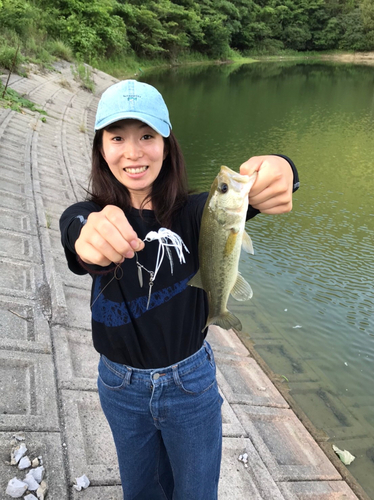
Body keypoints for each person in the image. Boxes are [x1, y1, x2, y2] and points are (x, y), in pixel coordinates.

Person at [60, 79, 299, 500]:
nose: (133, 152)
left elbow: (264, 190)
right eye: (118, 137)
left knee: (196, 491)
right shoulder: (89, 215)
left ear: (167, 146)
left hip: (191, 384)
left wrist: (283, 168)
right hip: (120, 386)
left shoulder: (199, 213)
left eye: (147, 136)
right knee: (140, 491)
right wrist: (87, 235)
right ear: (101, 148)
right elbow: (78, 237)